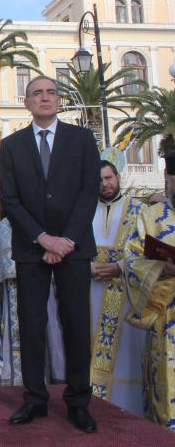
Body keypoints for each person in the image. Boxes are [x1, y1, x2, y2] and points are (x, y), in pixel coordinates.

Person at [0, 75, 100, 432]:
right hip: (31, 250)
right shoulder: (11, 145)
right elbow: (10, 200)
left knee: (76, 324)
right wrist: (43, 239)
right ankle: (35, 400)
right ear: (26, 102)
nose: (45, 98)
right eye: (37, 93)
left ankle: (78, 402)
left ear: (59, 100)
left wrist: (65, 240)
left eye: (51, 93)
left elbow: (89, 191)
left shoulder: (82, 139)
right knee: (31, 326)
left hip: (74, 248)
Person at [89, 160, 145, 414]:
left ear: (118, 177)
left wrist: (120, 267)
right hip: (91, 291)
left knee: (128, 354)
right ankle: (95, 408)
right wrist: (85, 266)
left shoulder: (140, 211)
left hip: (127, 291)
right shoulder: (84, 209)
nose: (105, 184)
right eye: (99, 180)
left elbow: (148, 251)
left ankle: (131, 409)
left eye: (109, 178)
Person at [123, 155, 175, 431]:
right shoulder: (150, 216)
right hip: (165, 321)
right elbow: (132, 260)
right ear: (167, 180)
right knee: (166, 389)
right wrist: (161, 269)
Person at [0, 218, 66, 386]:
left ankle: (43, 381)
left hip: (43, 285)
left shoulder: (45, 219)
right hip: (12, 290)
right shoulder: (5, 225)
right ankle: (14, 381)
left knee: (45, 332)